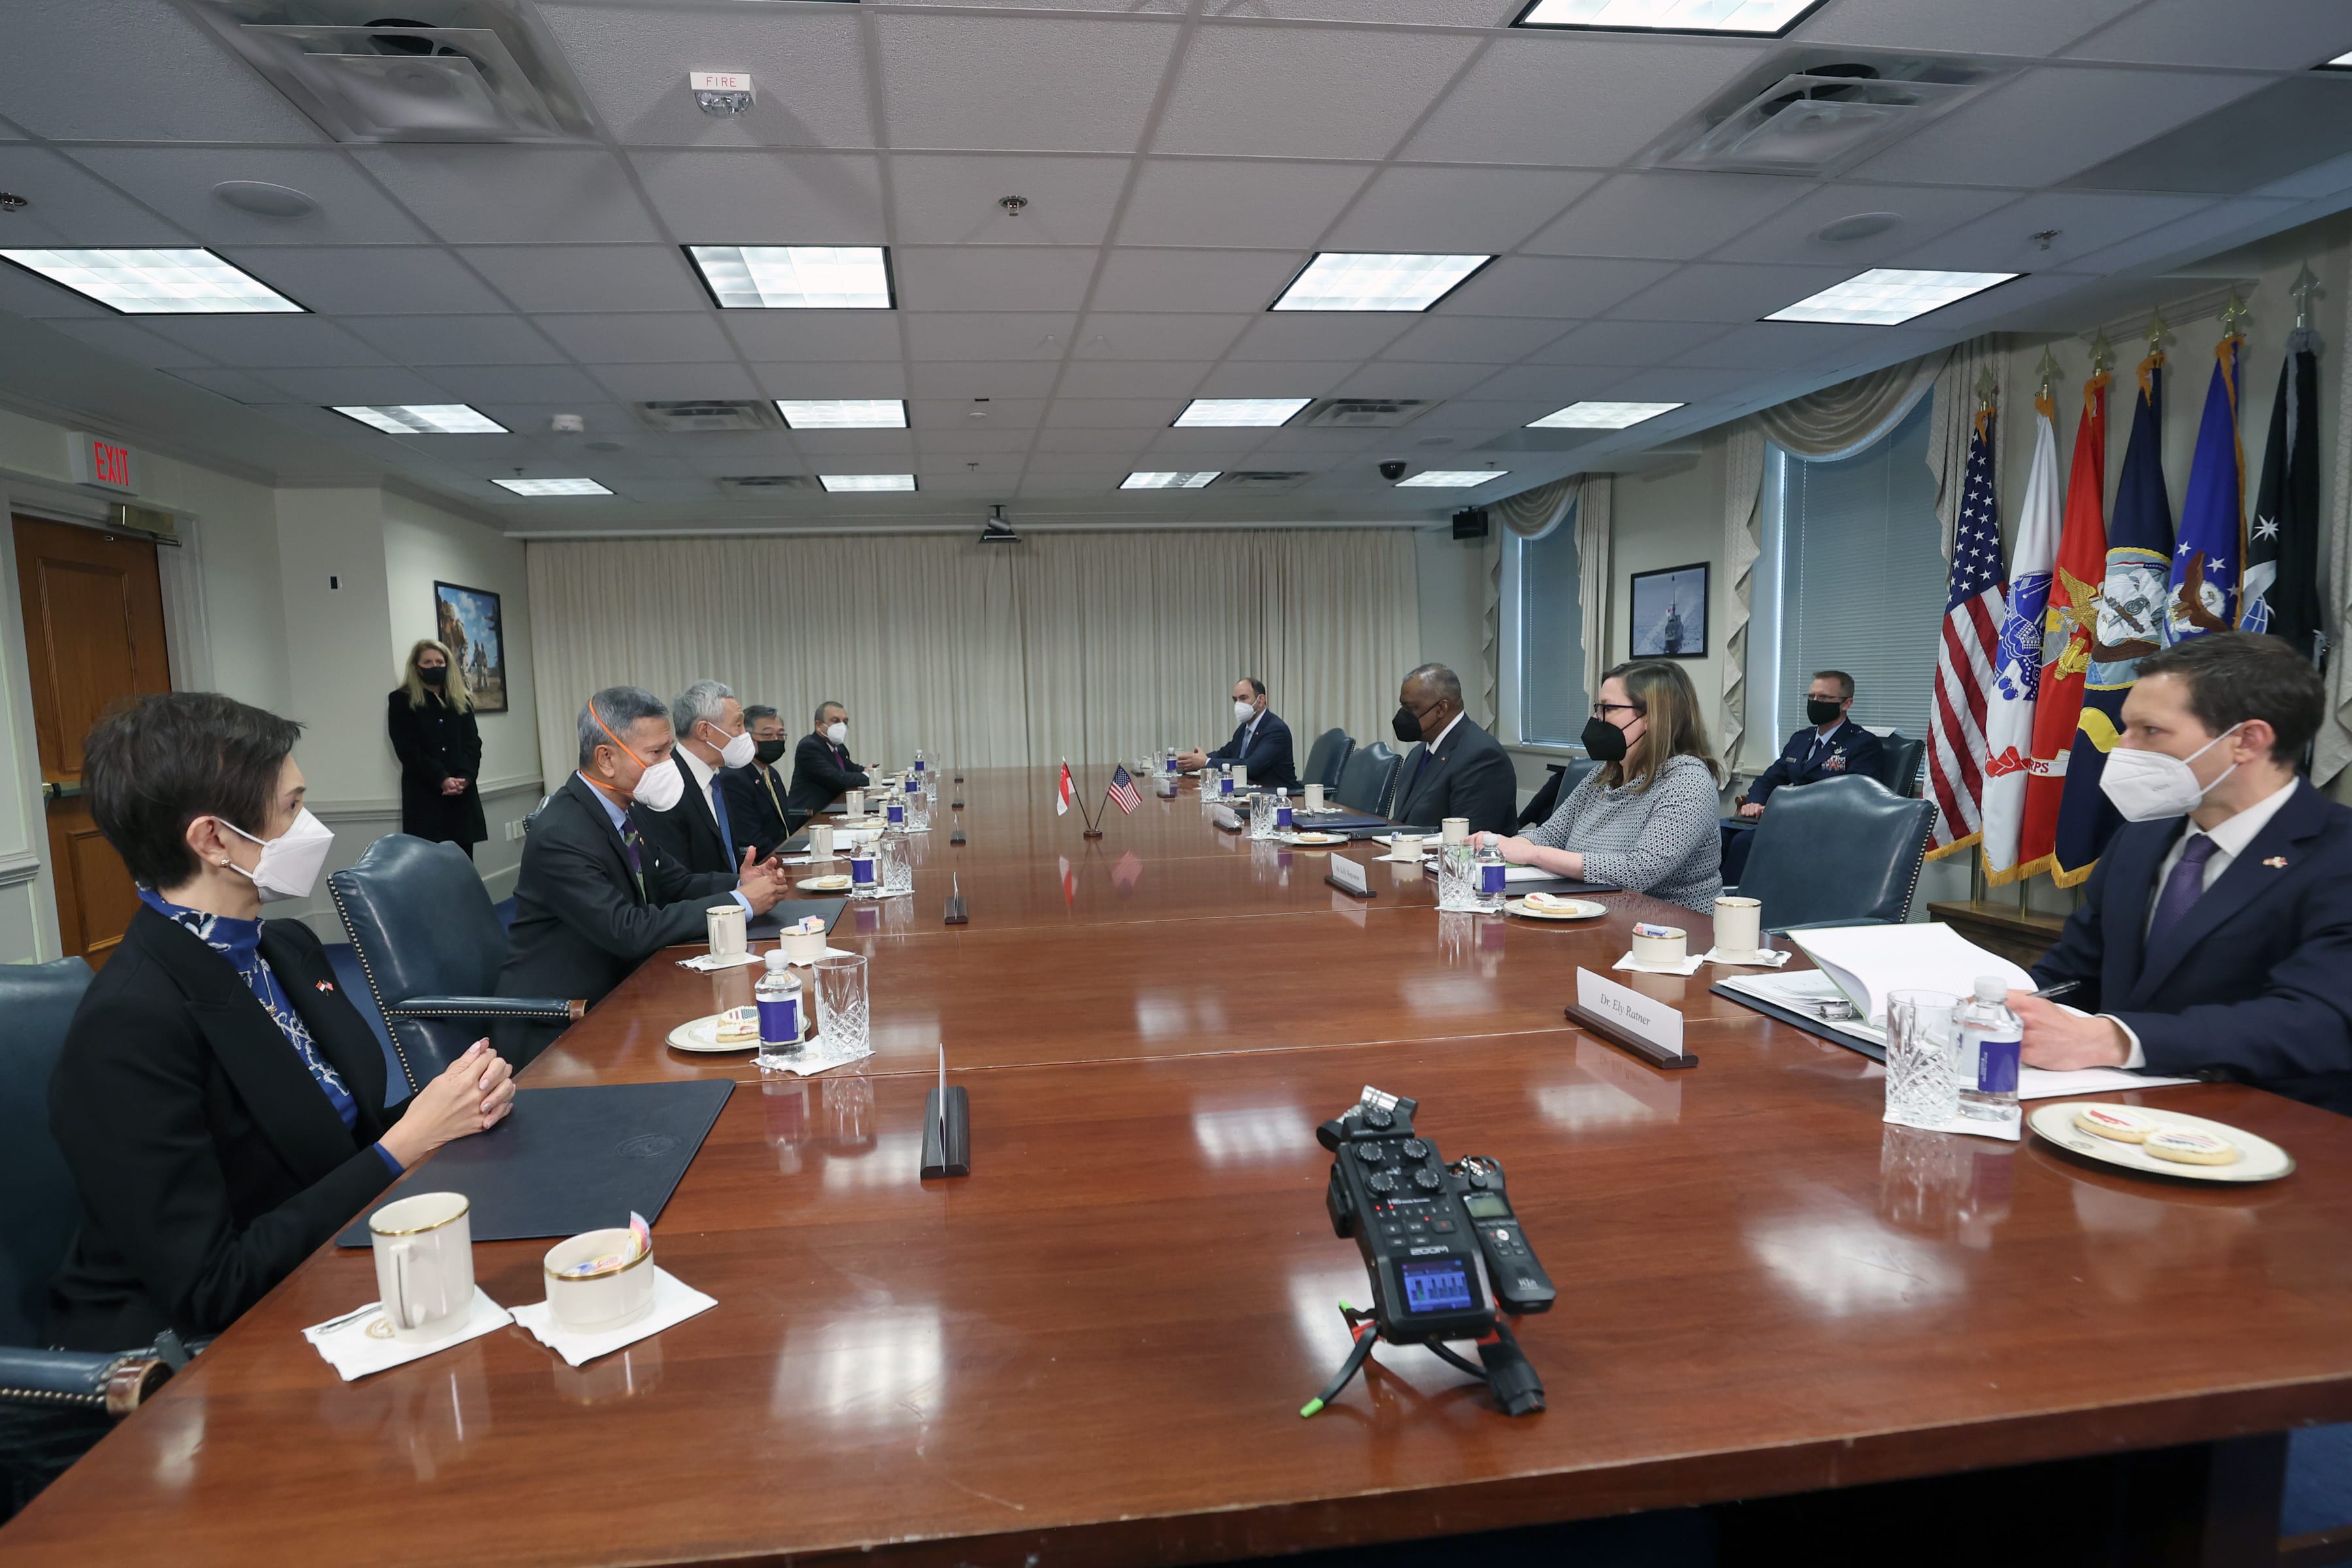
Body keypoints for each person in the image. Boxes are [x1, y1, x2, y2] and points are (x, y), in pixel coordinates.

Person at [48, 694, 515, 1356]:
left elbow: (333, 1142)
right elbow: (211, 1288)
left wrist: (454, 1102)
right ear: (212, 839)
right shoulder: (129, 1028)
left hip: (327, 1265)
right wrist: (404, 1145)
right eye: (292, 808)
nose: (312, 827)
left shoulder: (283, 948)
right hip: (183, 1367)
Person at [2017, 632, 2352, 1114]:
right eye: (2125, 728)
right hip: (2115, 1114)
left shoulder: (2336, 855)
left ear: (2247, 740)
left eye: (2149, 731)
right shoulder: (2141, 837)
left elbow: (2317, 1020)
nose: (2121, 748)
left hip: (2271, 1125)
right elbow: (2076, 969)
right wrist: (2015, 1006)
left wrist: (2117, 1040)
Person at [495, 687, 788, 1064]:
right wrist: (740, 905)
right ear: (606, 759)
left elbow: (673, 883)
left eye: (669, 749)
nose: (670, 762)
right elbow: (626, 930)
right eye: (657, 753)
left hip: (623, 989)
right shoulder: (562, 833)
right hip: (561, 1025)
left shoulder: (622, 809)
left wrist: (738, 883)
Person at [1475, 661, 1723, 912]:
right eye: (1597, 708)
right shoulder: (1604, 776)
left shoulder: (1687, 780)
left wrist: (1532, 855)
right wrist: (1494, 845)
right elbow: (1549, 837)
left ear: (1651, 718)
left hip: (1672, 934)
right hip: (1596, 916)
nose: (1596, 719)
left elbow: (1637, 871)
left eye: (1608, 708)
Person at [1723, 670, 1883, 881]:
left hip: (1823, 828)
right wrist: (1754, 803)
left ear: (1846, 703)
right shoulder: (1801, 739)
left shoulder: (1862, 744)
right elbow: (1769, 779)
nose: (1816, 702)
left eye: (1824, 698)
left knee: (1745, 842)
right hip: (1783, 821)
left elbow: (1854, 798)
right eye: (1812, 697)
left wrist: (1784, 808)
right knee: (1719, 835)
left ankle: (1734, 907)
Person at [636, 679, 753, 877]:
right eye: (739, 725)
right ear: (705, 731)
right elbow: (676, 880)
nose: (745, 734)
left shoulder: (714, 779)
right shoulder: (664, 786)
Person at [385, 637, 485, 858]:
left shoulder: (461, 700)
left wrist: (465, 777)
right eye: (428, 663)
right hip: (425, 796)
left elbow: (473, 743)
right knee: (428, 866)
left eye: (440, 662)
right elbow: (407, 749)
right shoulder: (402, 701)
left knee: (462, 866)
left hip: (462, 798)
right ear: (416, 667)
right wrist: (440, 777)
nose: (435, 667)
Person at [1389, 662, 1515, 836]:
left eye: (1410, 708)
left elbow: (1469, 843)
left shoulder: (1482, 757)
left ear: (1441, 709)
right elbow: (1401, 824)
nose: (1402, 715)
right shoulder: (1418, 754)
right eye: (1402, 706)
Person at [1176, 678, 1298, 791]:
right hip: (1248, 792)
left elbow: (1250, 767)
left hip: (1278, 795)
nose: (1238, 704)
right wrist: (1193, 760)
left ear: (1260, 701)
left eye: (1243, 698)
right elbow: (1226, 752)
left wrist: (1206, 762)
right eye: (1235, 700)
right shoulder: (1245, 727)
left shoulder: (1275, 729)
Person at [720, 703, 794, 850]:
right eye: (767, 735)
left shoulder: (771, 773)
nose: (775, 740)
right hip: (765, 861)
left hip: (786, 852)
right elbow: (751, 840)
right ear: (746, 737)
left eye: (780, 735)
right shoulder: (734, 778)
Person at [787, 700, 870, 822]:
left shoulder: (838, 747)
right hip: (810, 816)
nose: (842, 726)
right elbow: (837, 778)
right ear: (818, 725)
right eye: (836, 721)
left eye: (845, 722)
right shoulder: (809, 746)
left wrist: (867, 770)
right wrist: (868, 776)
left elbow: (852, 768)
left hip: (833, 810)